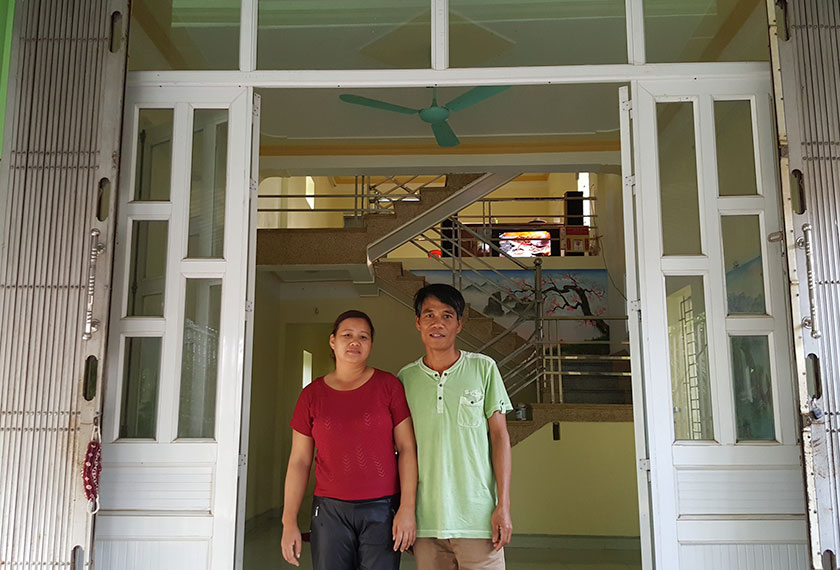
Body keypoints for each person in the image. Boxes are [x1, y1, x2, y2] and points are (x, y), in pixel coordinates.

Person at [281, 310, 418, 569]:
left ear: (370, 344)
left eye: (363, 336)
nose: (355, 342)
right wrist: (289, 522)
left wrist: (407, 508)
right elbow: (299, 461)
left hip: (382, 508)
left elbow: (407, 448)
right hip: (330, 512)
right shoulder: (312, 395)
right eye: (347, 335)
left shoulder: (388, 386)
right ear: (333, 341)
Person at [398, 284, 513, 570]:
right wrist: (405, 511)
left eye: (447, 316)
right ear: (417, 323)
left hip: (479, 520)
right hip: (426, 523)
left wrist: (504, 505)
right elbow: (403, 451)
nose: (437, 323)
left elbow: (500, 438)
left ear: (459, 324)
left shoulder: (483, 368)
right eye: (429, 315)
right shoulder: (404, 379)